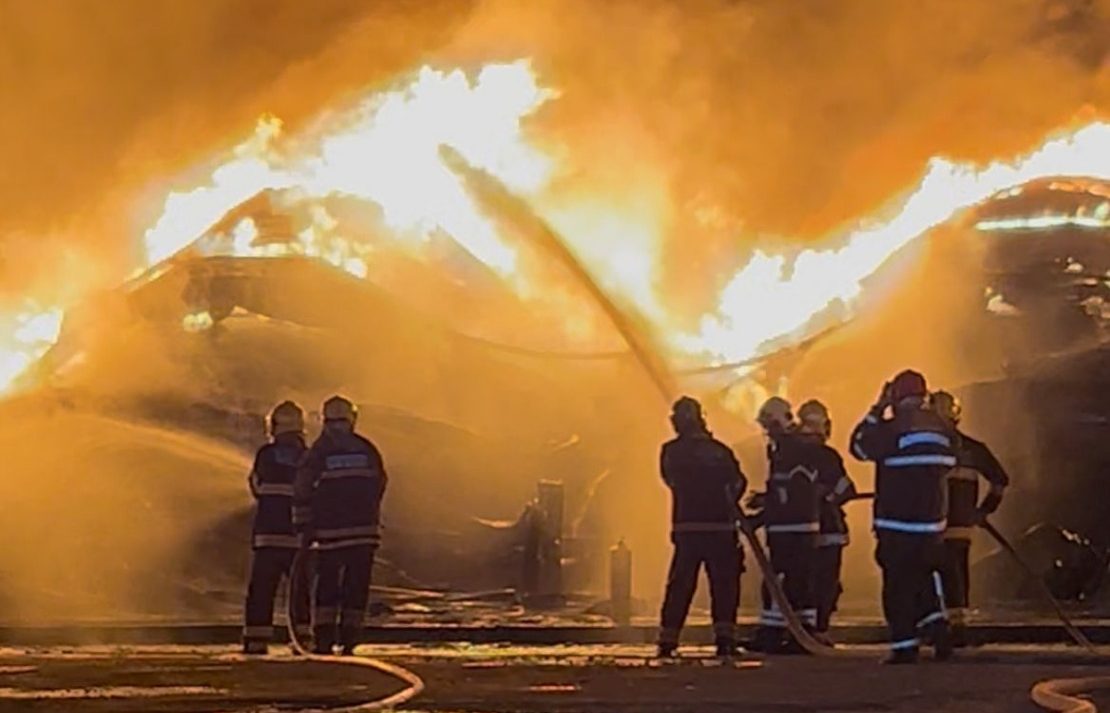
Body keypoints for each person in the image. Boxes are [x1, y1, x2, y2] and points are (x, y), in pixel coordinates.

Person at [850, 370, 956, 664]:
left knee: (898, 587)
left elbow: (858, 446)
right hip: (933, 525)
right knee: (924, 579)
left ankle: (905, 647)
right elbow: (953, 456)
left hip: (897, 525)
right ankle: (938, 628)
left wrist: (876, 409)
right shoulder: (942, 429)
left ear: (895, 396)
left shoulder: (892, 428)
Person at [293, 395, 387, 656]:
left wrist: (303, 526)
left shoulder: (319, 452)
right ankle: (349, 639)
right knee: (356, 586)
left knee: (328, 585)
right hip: (364, 533)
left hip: (330, 533)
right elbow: (380, 484)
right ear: (352, 420)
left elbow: (302, 490)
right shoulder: (366, 449)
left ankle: (324, 639)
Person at [657, 396, 747, 658]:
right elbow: (738, 483)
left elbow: (670, 479)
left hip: (687, 527)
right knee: (724, 585)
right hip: (721, 528)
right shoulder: (720, 450)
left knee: (680, 584)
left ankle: (668, 640)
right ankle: (725, 640)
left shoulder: (670, 451)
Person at [931, 390, 1010, 647]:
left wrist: (983, 511)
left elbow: (1000, 481)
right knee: (955, 573)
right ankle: (956, 627)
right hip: (957, 527)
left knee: (930, 574)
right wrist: (982, 511)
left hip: (929, 525)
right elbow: (1000, 480)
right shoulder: (975, 450)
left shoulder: (926, 447)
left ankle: (941, 627)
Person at [242, 400, 312, 654]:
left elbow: (257, 486)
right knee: (299, 591)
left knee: (262, 590)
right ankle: (303, 638)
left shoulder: (266, 454)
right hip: (298, 537)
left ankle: (256, 639)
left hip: (268, 536)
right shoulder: (308, 457)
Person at [797, 399, 857, 639]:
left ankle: (807, 629)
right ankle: (818, 629)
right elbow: (846, 489)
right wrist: (829, 499)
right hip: (829, 530)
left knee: (807, 581)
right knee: (824, 582)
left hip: (806, 531)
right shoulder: (827, 455)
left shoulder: (792, 454)